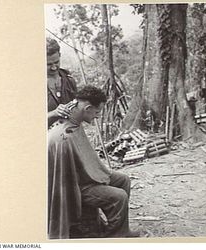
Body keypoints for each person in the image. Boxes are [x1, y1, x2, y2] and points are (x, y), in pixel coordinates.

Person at [48, 85, 140, 239]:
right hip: (76, 187)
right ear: (88, 108)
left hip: (85, 178)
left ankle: (120, 228)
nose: (97, 116)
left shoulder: (75, 124)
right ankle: (114, 237)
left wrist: (100, 174)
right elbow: (69, 180)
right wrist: (98, 178)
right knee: (119, 197)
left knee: (123, 180)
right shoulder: (63, 137)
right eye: (97, 112)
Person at [46, 37, 77, 127]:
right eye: (48, 64)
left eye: (56, 62)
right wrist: (54, 113)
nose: (54, 67)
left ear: (59, 55)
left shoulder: (69, 80)